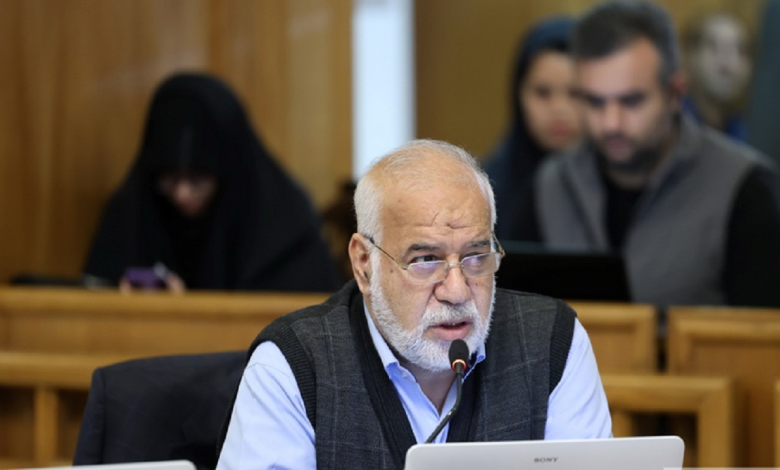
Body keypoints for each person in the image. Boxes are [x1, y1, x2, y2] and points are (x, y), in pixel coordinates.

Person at [217, 140, 611, 470]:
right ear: (364, 263)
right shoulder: (292, 365)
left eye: (476, 256)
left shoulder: (553, 342)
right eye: (425, 260)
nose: (457, 291)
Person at [535, 0, 780, 307]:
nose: (611, 123)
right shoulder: (553, 182)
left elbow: (762, 332)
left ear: (675, 93)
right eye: (595, 102)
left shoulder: (745, 187)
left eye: (631, 101)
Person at [82, 72, 340, 292]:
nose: (182, 193)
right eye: (170, 178)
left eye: (197, 179)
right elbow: (96, 291)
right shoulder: (131, 212)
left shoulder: (284, 222)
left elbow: (304, 316)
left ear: (228, 170)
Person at [485, 17, 582, 241]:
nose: (559, 109)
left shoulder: (620, 184)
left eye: (575, 93)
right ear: (518, 96)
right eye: (542, 92)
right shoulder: (486, 190)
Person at [682, 12, 752, 141]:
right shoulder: (669, 125)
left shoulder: (743, 129)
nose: (728, 63)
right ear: (690, 57)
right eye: (714, 47)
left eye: (740, 50)